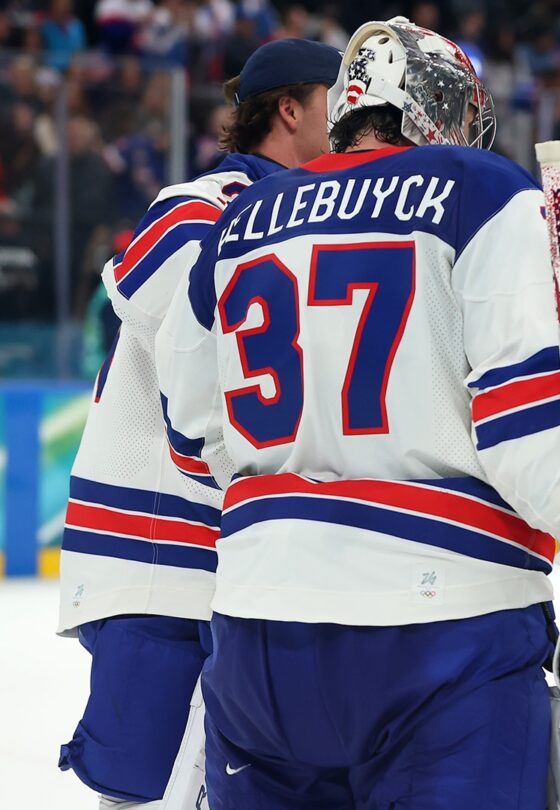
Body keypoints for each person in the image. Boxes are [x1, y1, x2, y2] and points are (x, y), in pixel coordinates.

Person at [153, 18, 560, 809]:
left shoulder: (240, 221)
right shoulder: (483, 190)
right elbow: (540, 424)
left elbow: (192, 429)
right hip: (442, 636)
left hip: (256, 636)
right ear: (441, 108)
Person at [55, 38, 340, 810]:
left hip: (253, 556)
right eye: (337, 99)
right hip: (163, 554)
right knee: (147, 790)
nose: (356, 116)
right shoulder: (197, 205)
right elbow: (199, 359)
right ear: (288, 110)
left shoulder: (335, 218)